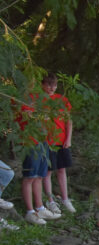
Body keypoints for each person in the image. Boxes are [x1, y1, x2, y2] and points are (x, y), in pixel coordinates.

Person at [15, 88, 61, 225]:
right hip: (30, 142)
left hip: (42, 141)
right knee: (29, 177)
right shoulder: (20, 102)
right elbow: (34, 116)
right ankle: (30, 212)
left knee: (40, 176)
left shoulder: (39, 103)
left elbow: (47, 117)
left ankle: (40, 207)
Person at [40, 74, 76, 214]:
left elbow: (68, 120)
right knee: (48, 171)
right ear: (43, 85)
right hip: (47, 141)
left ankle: (65, 199)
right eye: (48, 84)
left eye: (54, 85)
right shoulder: (40, 100)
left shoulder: (62, 100)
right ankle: (50, 201)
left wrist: (68, 138)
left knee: (62, 170)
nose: (51, 88)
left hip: (61, 140)